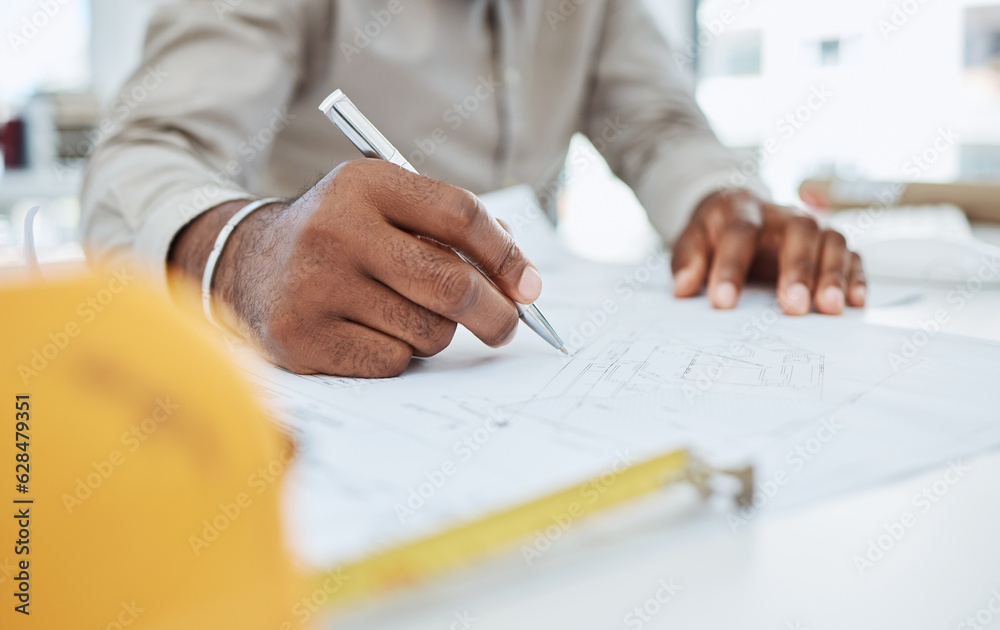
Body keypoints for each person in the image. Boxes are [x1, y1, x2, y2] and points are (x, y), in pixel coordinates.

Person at [81, 0, 865, 378]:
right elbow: (143, 152)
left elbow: (657, 123)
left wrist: (719, 202)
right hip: (331, 386)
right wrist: (246, 254)